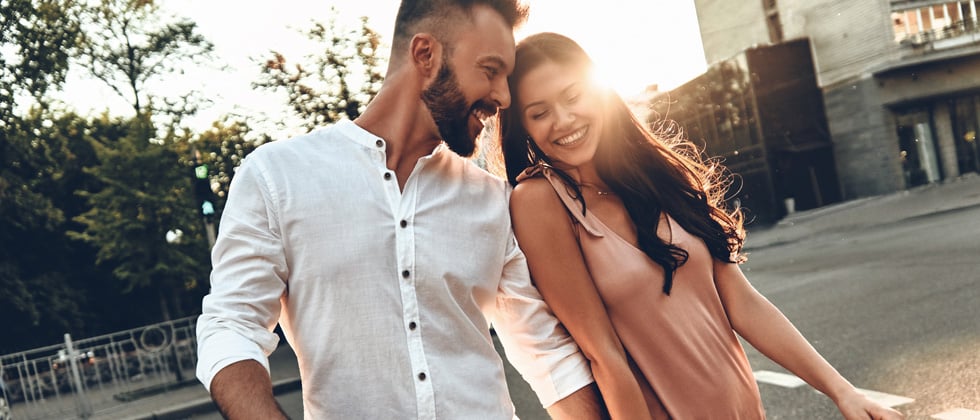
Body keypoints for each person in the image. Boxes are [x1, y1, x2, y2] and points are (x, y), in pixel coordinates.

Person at [195, 4, 603, 419]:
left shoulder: (492, 198)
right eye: (490, 69)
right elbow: (231, 327)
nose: (503, 96)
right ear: (426, 55)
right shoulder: (276, 177)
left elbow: (548, 356)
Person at [499, 32, 906, 420]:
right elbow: (604, 357)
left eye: (573, 96)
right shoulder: (540, 201)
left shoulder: (654, 179)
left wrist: (843, 391)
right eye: (540, 113)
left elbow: (743, 304)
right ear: (524, 126)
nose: (564, 120)